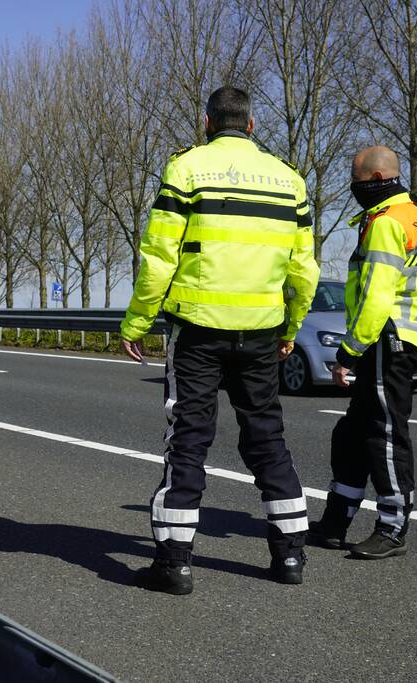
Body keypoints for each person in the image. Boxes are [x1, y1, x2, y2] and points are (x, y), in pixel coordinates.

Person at [120, 86, 320, 593]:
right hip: (261, 331)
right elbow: (304, 271)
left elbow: (159, 258)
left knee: (188, 441)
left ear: (206, 122)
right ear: (252, 125)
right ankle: (290, 557)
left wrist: (137, 322)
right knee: (268, 439)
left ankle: (174, 565)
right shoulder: (289, 180)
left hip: (198, 330)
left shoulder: (185, 170)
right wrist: (290, 330)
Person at [309, 146, 417, 559]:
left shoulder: (386, 223)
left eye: (357, 179)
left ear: (378, 179)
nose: (354, 187)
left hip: (388, 339)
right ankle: (336, 521)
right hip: (397, 339)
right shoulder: (411, 215)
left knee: (383, 435)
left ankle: (392, 527)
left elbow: (377, 299)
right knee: (351, 434)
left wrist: (349, 352)